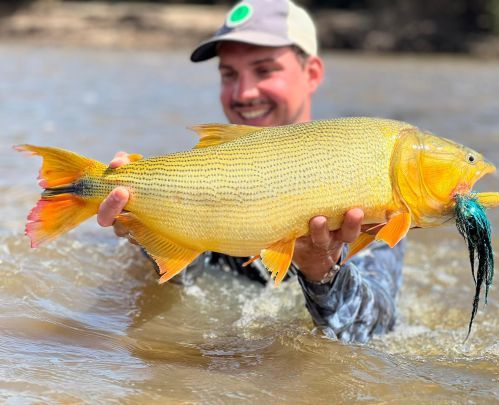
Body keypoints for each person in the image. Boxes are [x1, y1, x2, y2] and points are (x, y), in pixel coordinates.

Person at [97, 0, 405, 343]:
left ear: (312, 73)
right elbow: (180, 289)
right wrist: (146, 233)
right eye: (229, 74)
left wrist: (322, 272)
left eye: (264, 70)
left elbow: (376, 330)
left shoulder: (366, 178)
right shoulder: (196, 172)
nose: (244, 93)